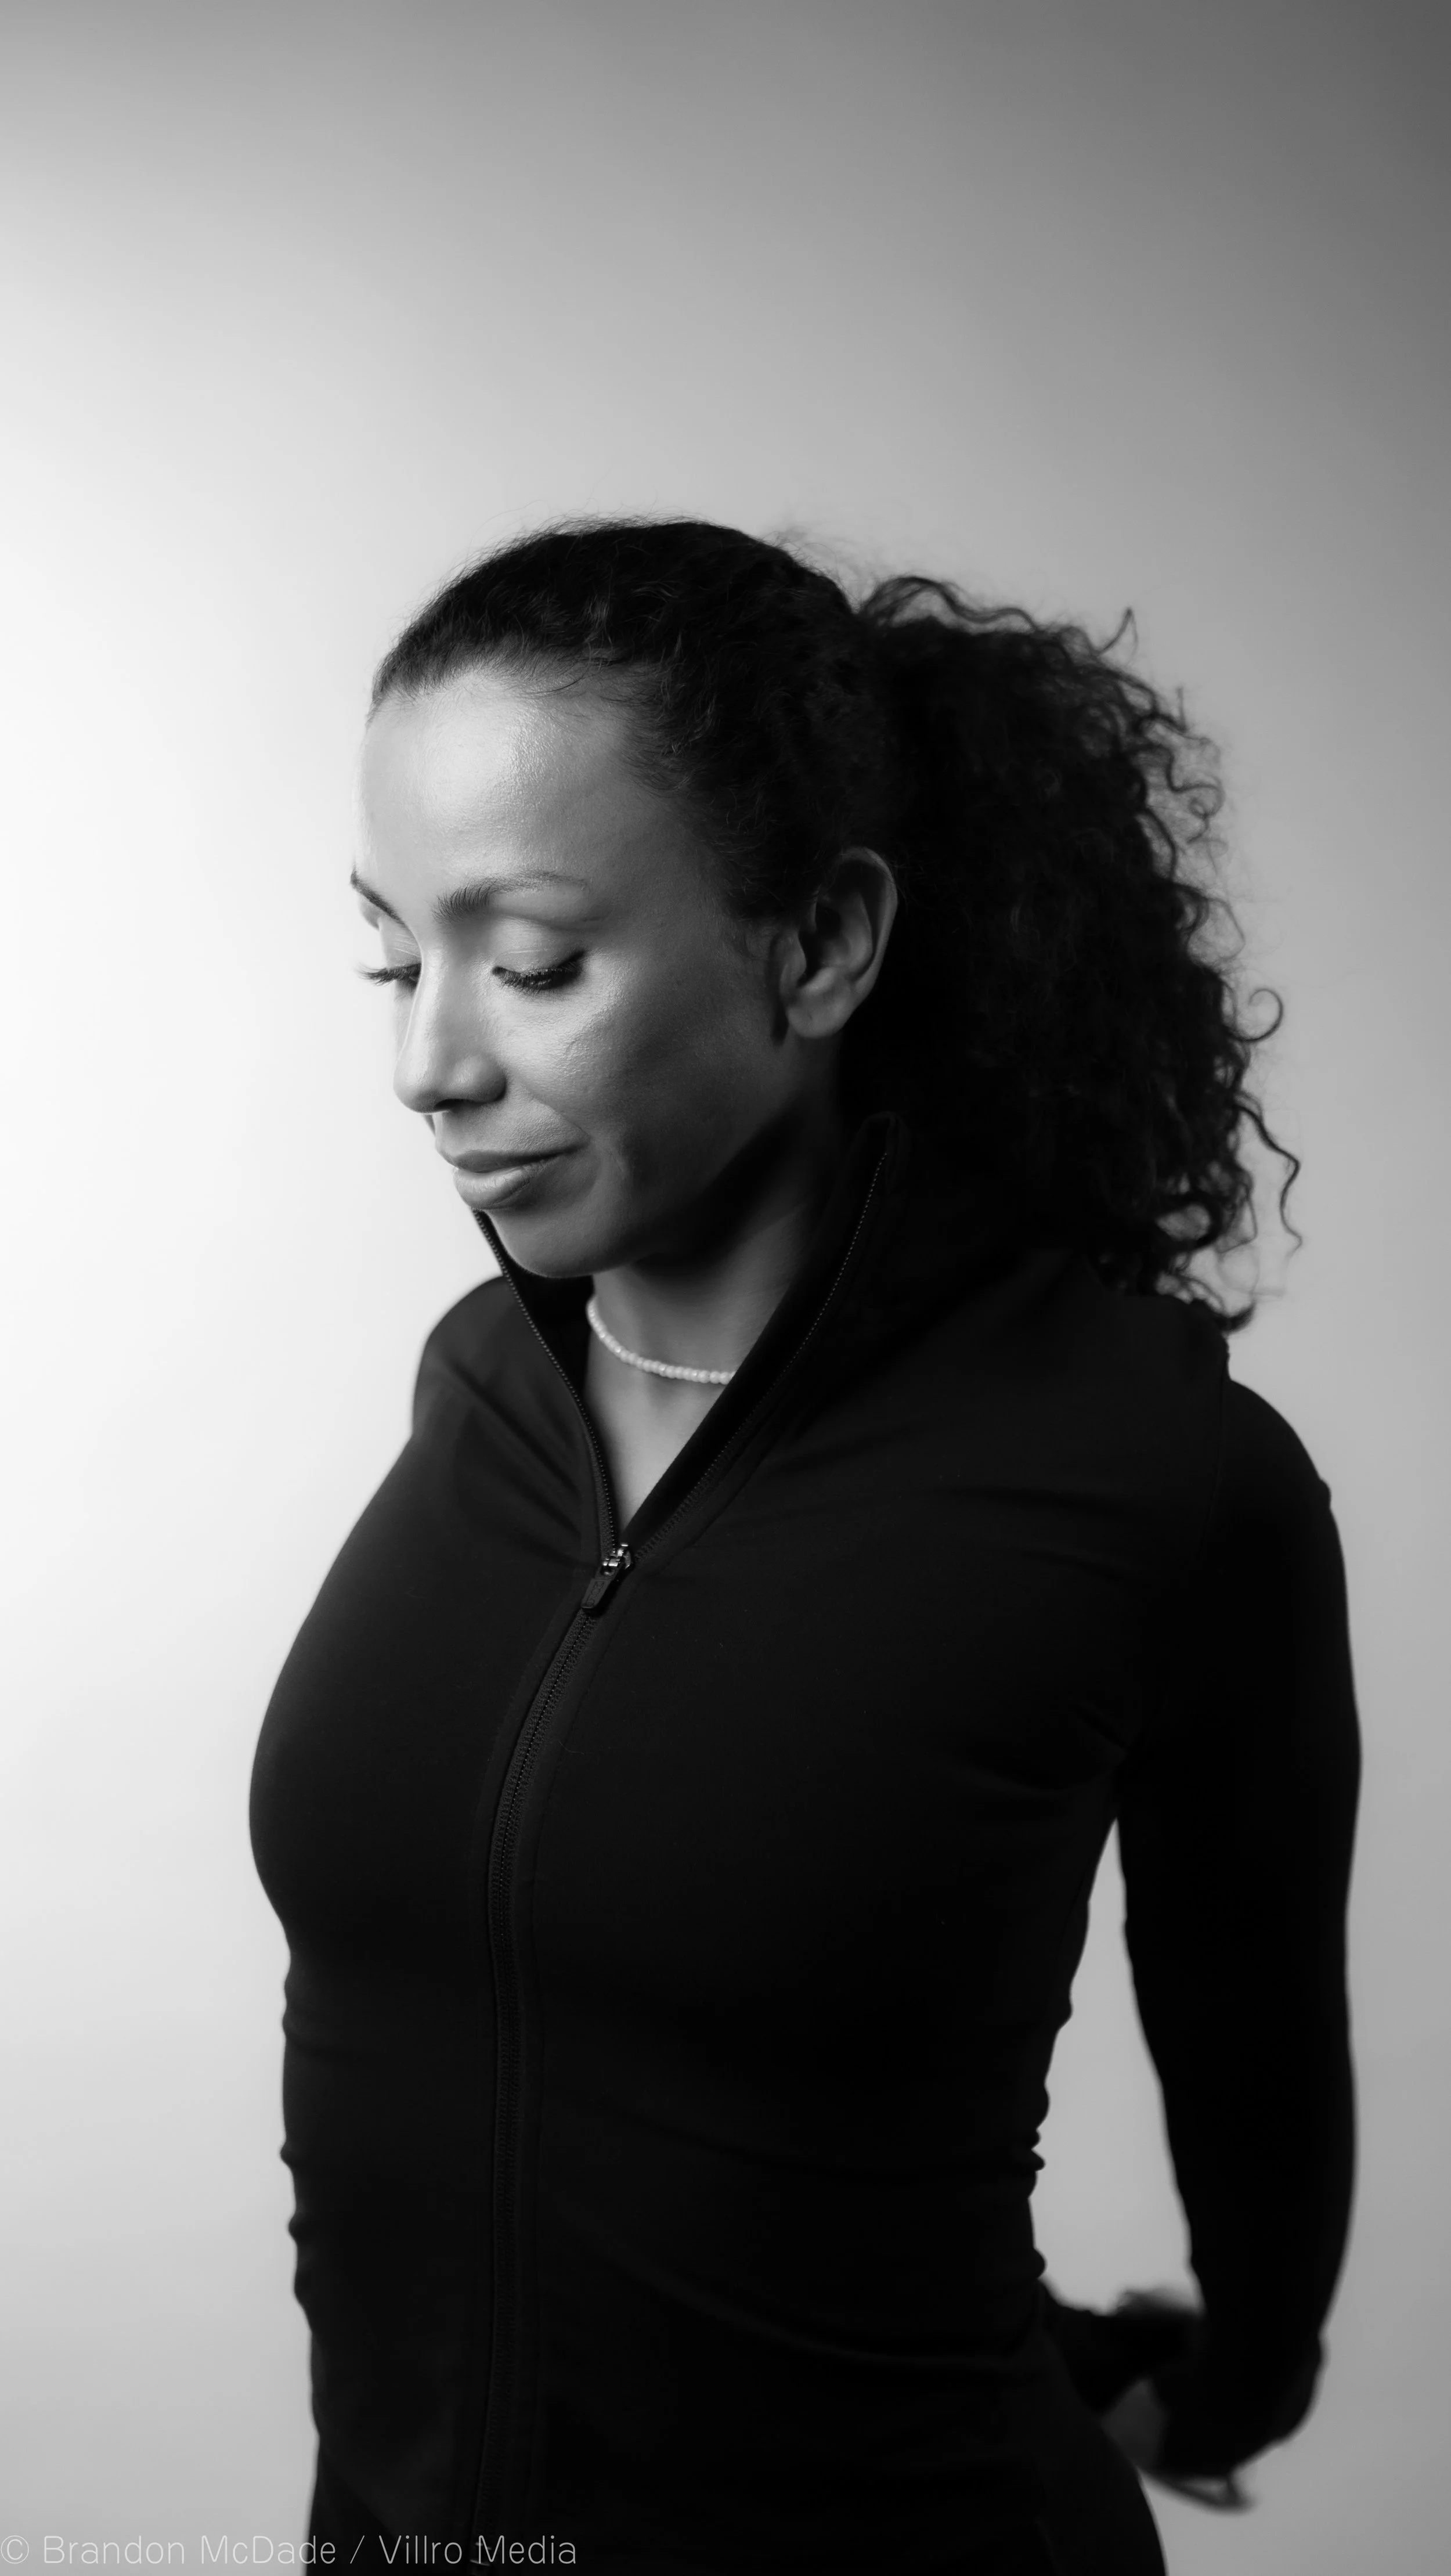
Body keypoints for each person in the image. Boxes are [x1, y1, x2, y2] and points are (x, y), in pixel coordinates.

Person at [248, 519, 1360, 2576]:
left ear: (821, 944)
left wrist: (1230, 2372)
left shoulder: (1147, 1476)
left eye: (539, 958)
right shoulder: (473, 1389)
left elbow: (1258, 2045)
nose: (432, 1061)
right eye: (398, 954)